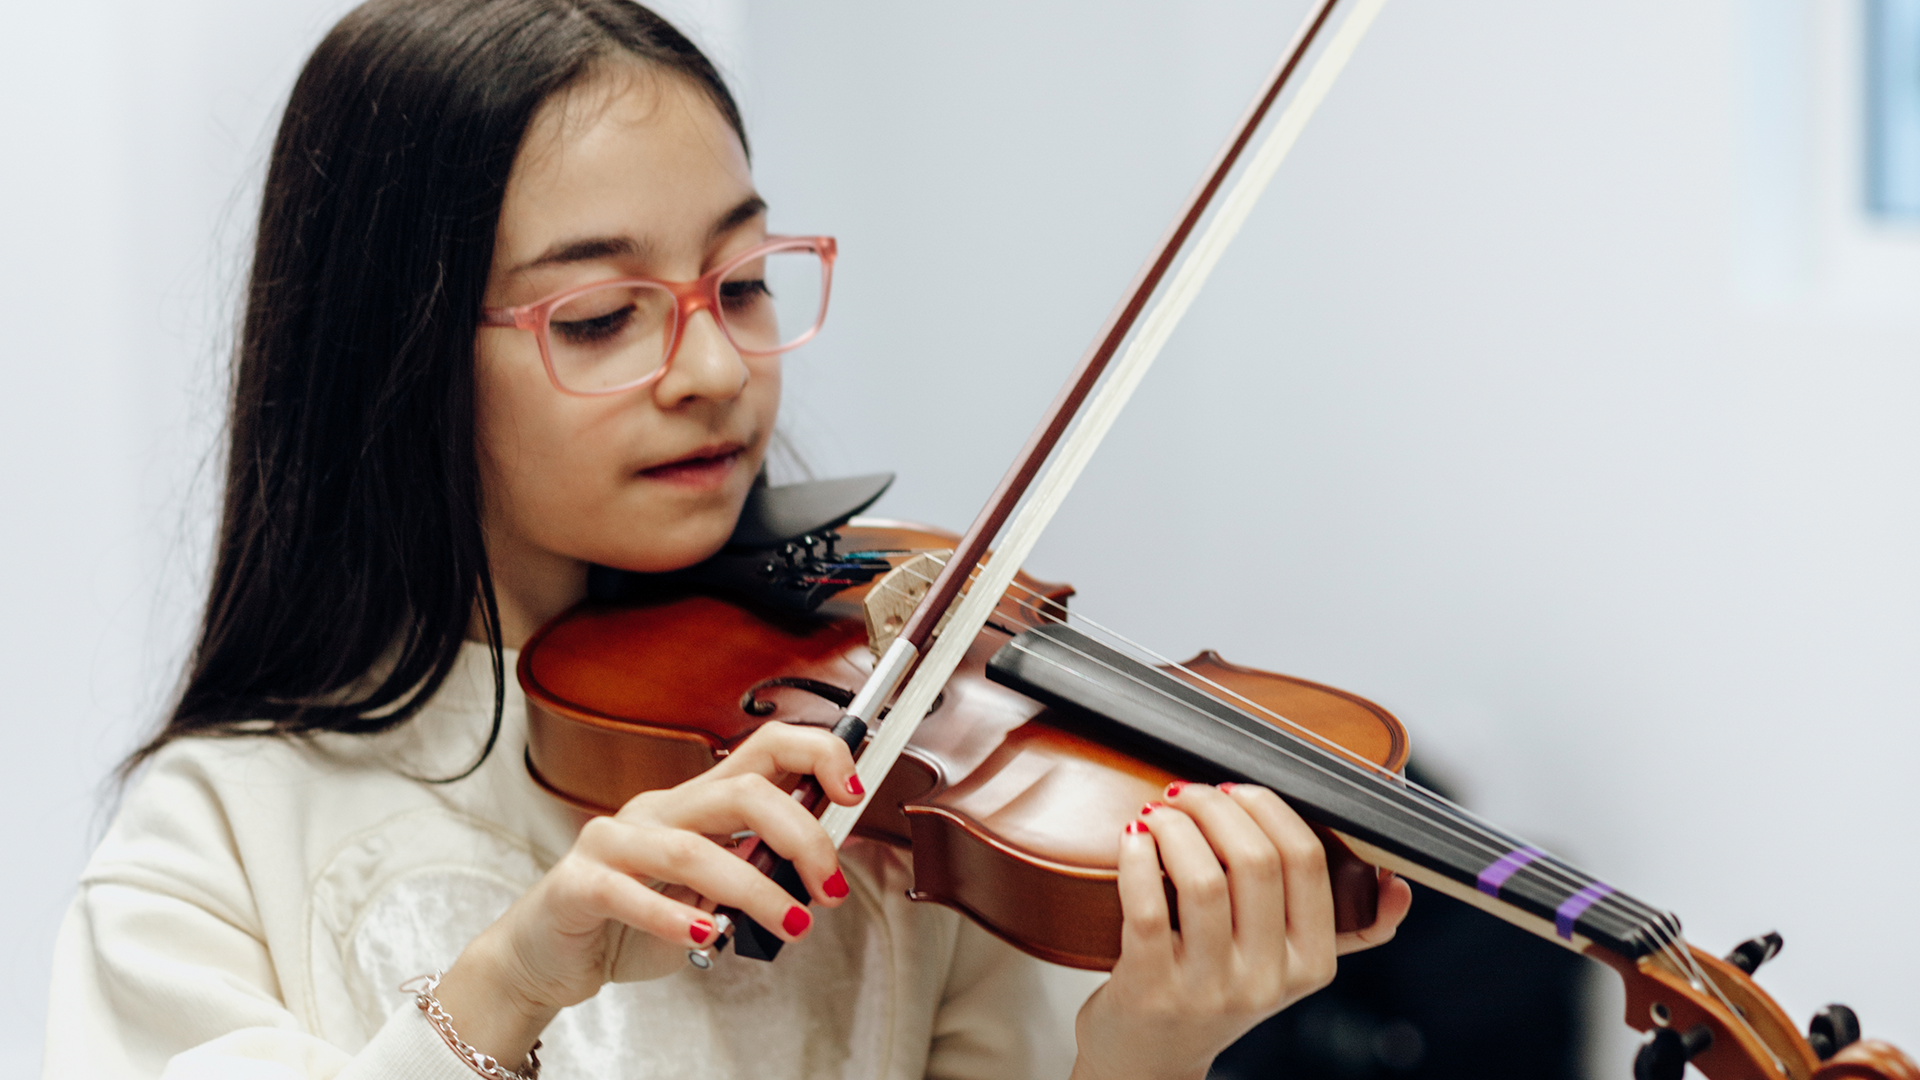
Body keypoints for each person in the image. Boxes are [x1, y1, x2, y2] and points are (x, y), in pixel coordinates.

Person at [41, 1, 1411, 1077]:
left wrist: (1142, 1056)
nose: (714, 367)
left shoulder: (887, 755)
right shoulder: (216, 838)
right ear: (392, 355)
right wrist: (512, 982)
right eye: (598, 316)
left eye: (741, 284)